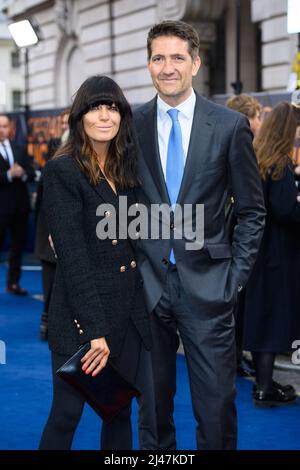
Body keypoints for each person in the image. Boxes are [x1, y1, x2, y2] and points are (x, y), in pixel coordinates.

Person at [133, 20, 266, 450]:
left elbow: (251, 210)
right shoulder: (130, 125)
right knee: (152, 409)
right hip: (146, 286)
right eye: (158, 58)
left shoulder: (228, 127)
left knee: (215, 408)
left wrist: (235, 278)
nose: (167, 67)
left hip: (209, 288)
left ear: (195, 62)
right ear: (149, 64)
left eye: (176, 57)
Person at [39, 75, 152, 450]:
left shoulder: (127, 169)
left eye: (113, 107)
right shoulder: (63, 170)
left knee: (118, 411)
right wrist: (94, 332)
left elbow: (140, 236)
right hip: (80, 316)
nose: (105, 116)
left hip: (129, 315)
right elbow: (73, 258)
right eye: (94, 108)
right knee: (66, 414)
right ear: (79, 117)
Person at [242, 102, 300, 407]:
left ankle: (264, 385)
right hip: (277, 252)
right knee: (273, 319)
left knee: (263, 318)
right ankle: (264, 387)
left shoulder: (258, 156)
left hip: (258, 249)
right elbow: (285, 209)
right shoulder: (280, 161)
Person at [225, 94, 263, 378]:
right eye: (258, 116)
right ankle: (233, 357)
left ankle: (235, 356)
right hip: (226, 243)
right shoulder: (237, 142)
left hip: (235, 244)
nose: (261, 122)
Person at [34, 109, 70, 340]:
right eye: (65, 122)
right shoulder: (55, 146)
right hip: (50, 223)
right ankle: (46, 319)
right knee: (50, 277)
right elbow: (45, 188)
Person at [0, 114, 35, 295]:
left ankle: (13, 283)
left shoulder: (20, 148)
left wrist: (21, 173)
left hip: (20, 207)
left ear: (10, 128)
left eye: (5, 126)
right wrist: (7, 175)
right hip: (1, 208)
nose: (2, 129)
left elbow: (31, 173)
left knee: (17, 247)